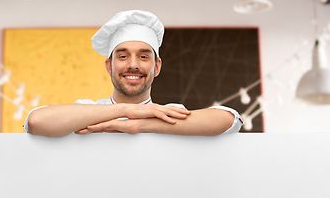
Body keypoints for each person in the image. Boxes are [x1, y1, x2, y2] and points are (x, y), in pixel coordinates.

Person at [24, 10, 243, 137]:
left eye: (144, 56)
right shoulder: (88, 110)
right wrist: (128, 110)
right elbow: (35, 122)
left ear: (156, 67)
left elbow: (230, 120)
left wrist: (139, 124)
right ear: (109, 66)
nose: (133, 65)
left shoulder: (169, 114)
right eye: (122, 56)